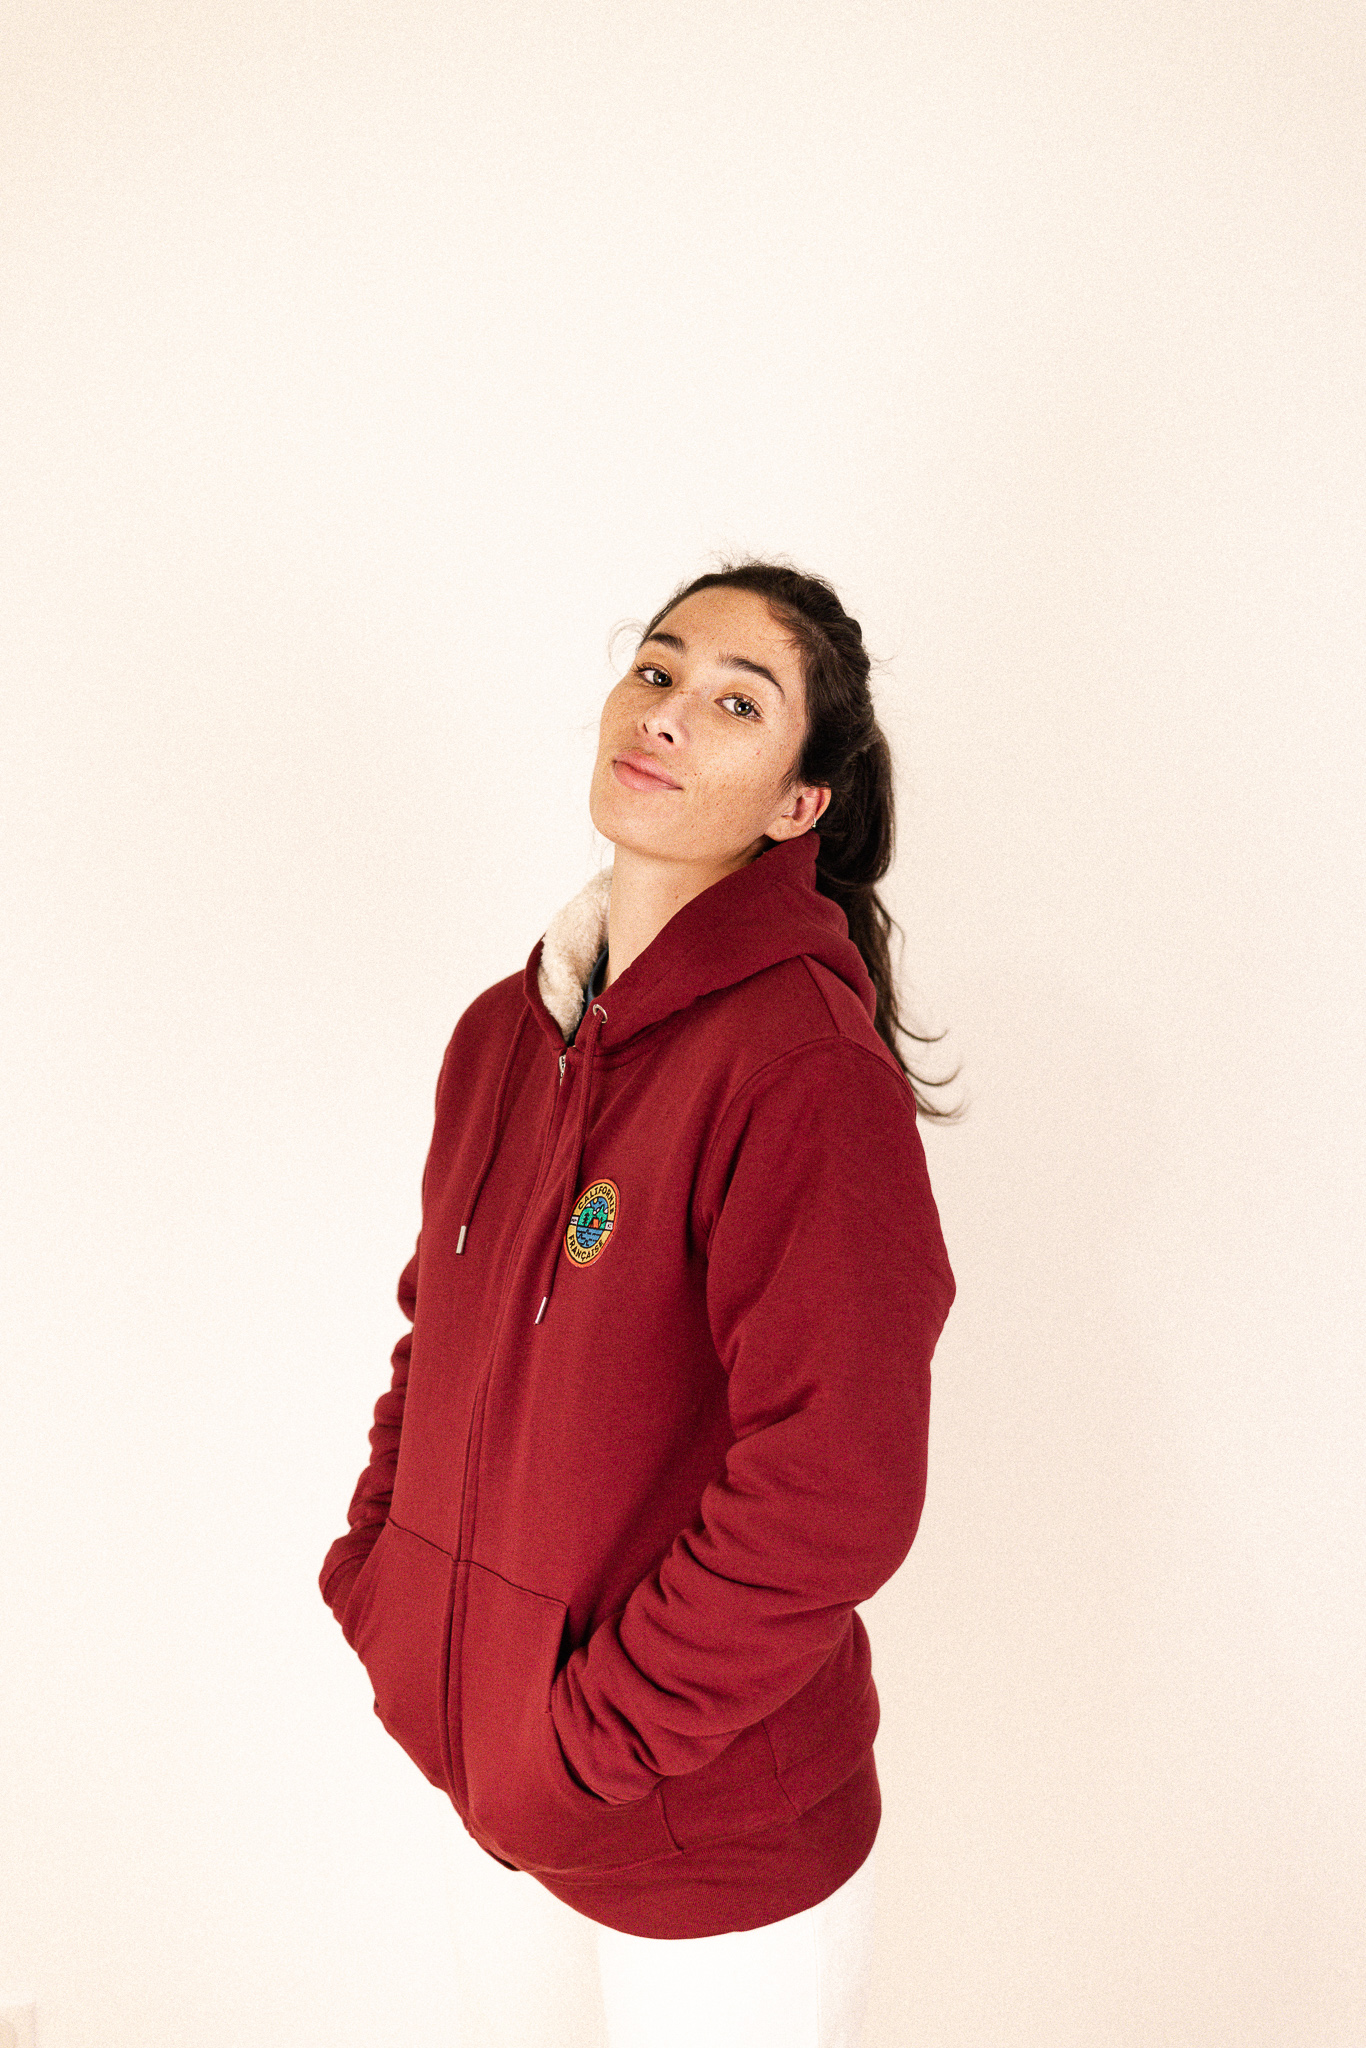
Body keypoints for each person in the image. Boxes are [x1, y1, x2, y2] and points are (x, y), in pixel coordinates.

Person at [319, 559, 960, 2046]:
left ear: (797, 805)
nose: (665, 713)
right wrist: (387, 1591)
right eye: (658, 671)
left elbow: (833, 1491)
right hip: (489, 1794)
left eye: (737, 704)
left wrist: (590, 1741)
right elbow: (435, 1337)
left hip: (708, 1841)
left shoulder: (801, 1071)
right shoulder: (503, 1032)